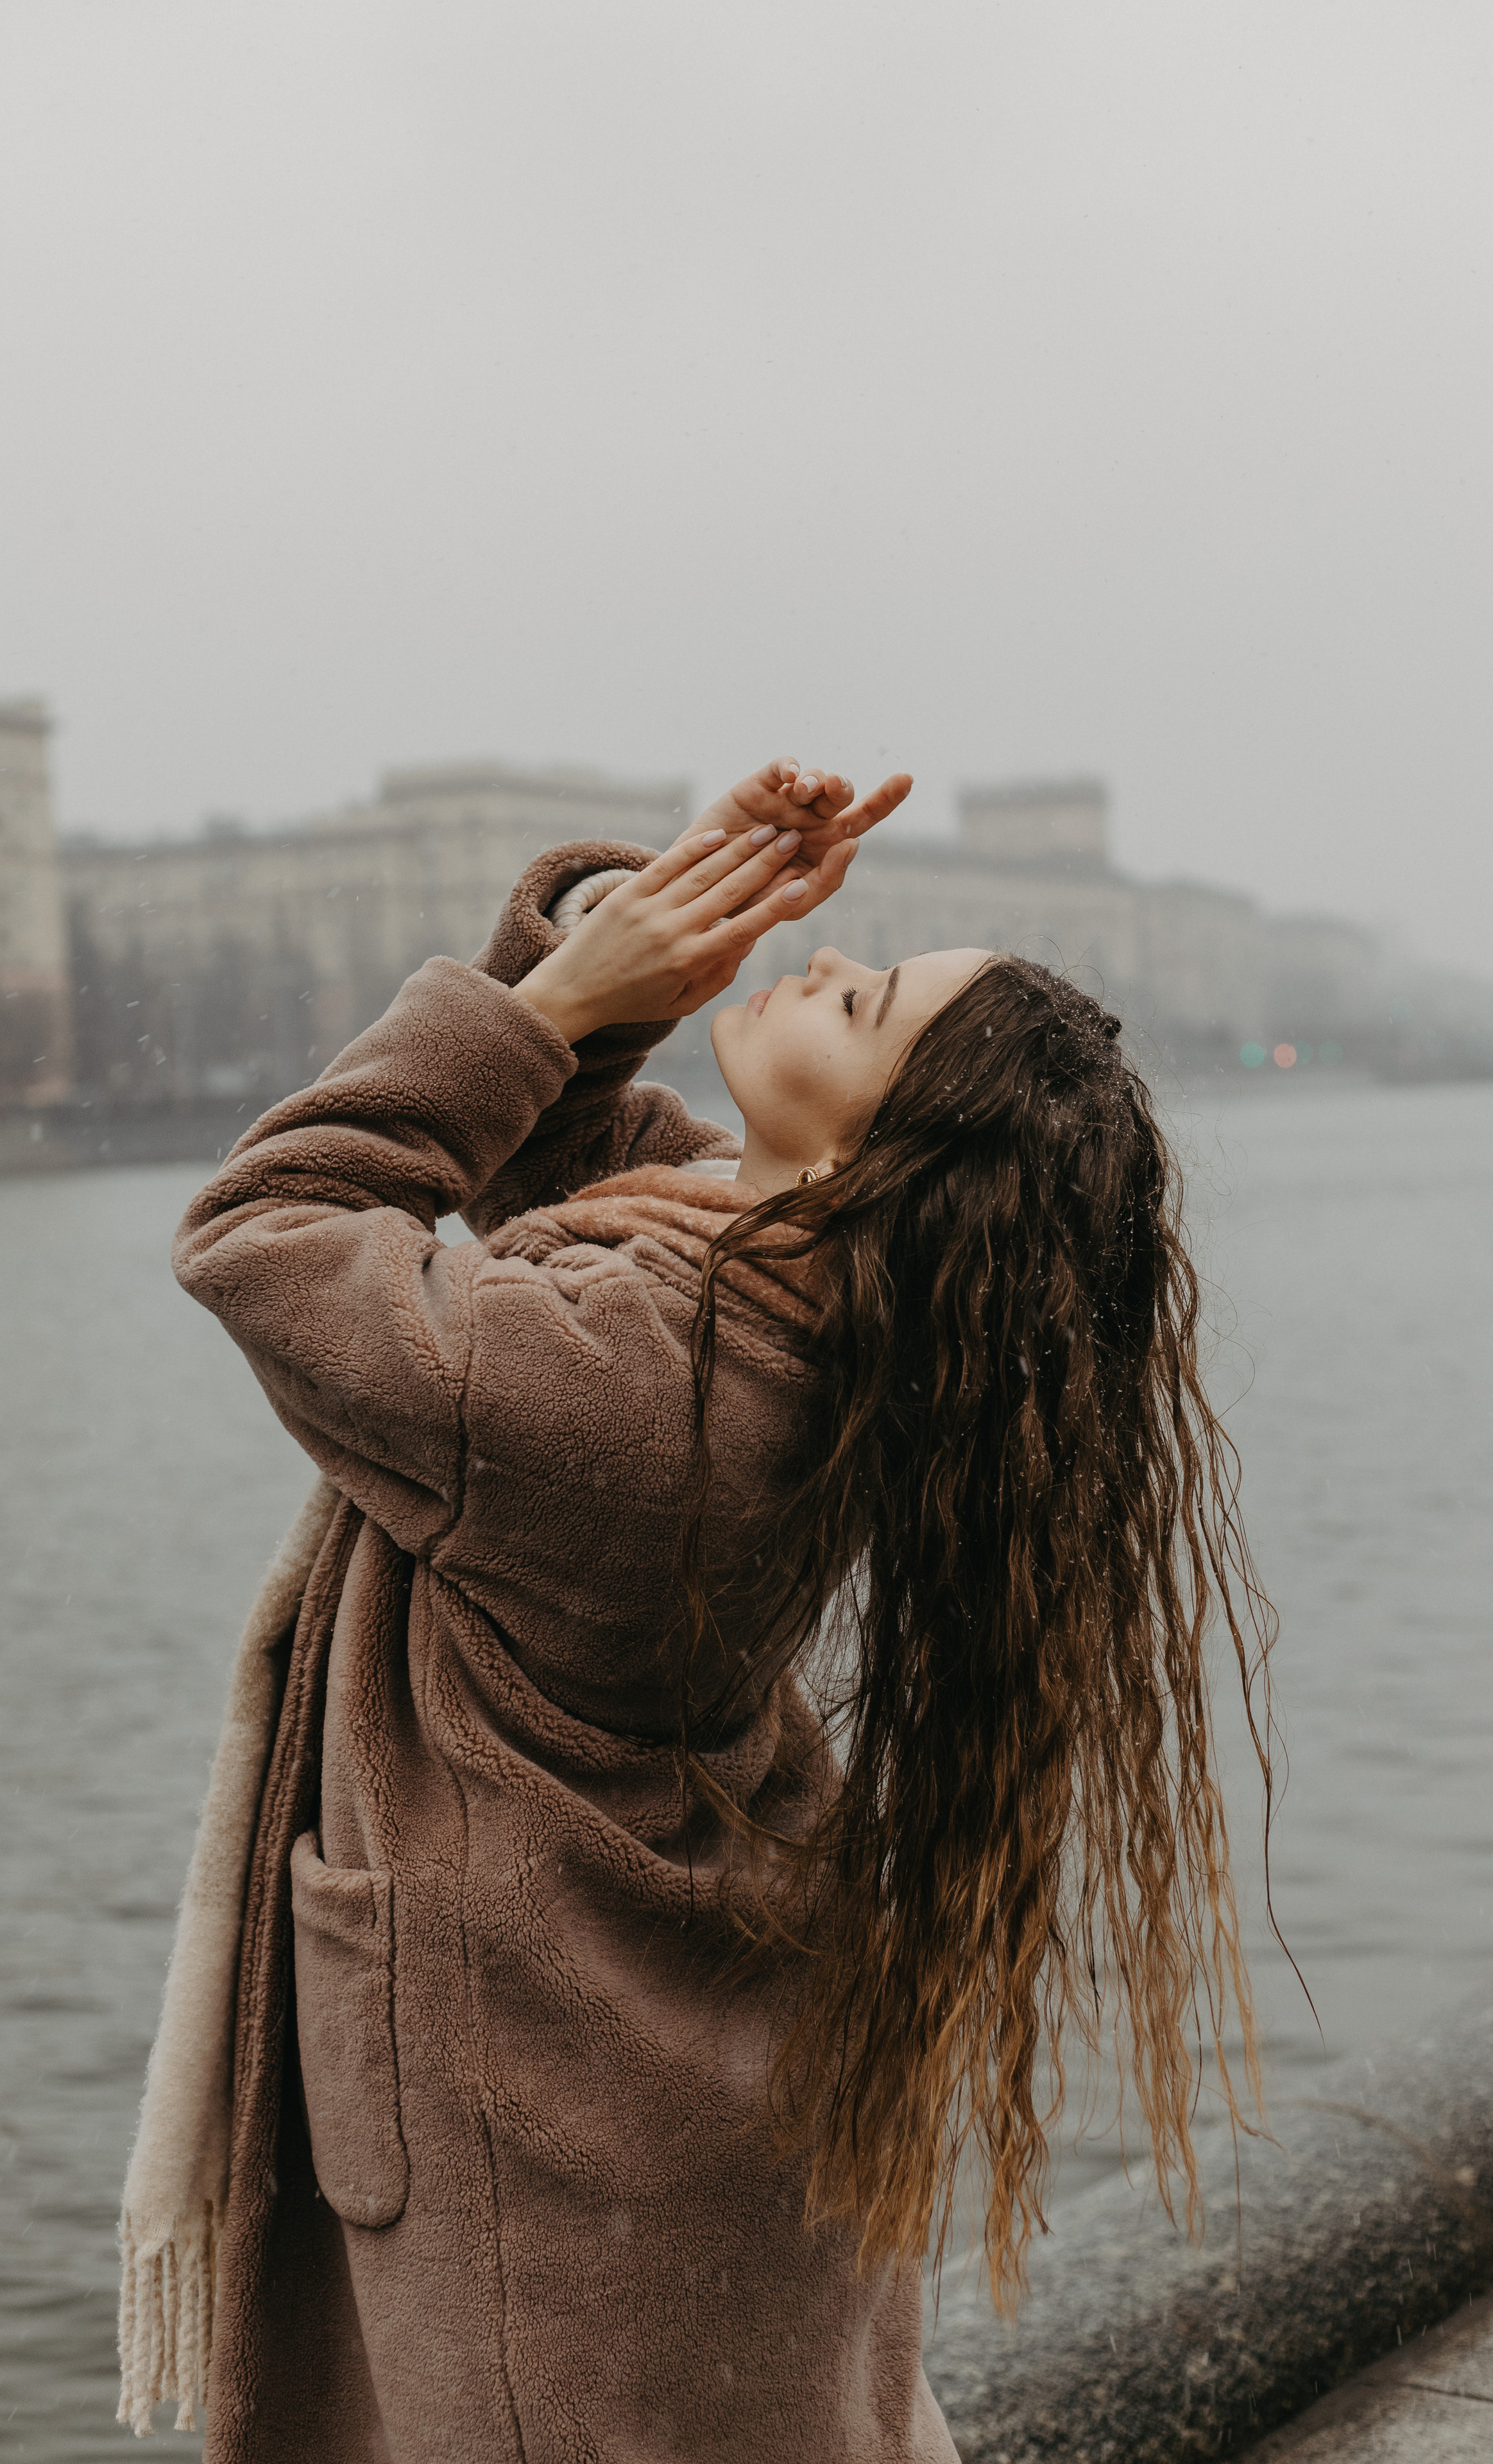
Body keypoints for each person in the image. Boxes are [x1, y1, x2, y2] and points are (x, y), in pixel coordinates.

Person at [117, 759, 1269, 2461]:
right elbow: (558, 1160)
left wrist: (553, 1005)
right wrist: (628, 933)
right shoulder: (797, 1298)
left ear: (873, 1155)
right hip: (637, 2054)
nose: (822, 965)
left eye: (862, 1003)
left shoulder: (642, 1393)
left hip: (530, 2105)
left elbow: (267, 1227)